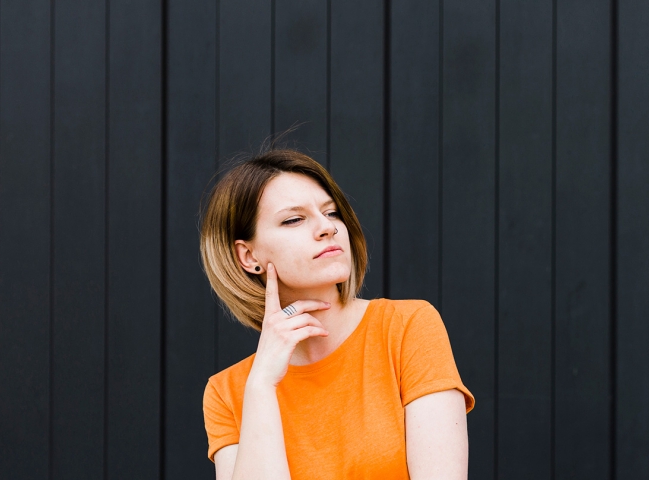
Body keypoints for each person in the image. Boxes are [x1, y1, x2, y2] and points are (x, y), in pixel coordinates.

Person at [200, 148, 473, 479]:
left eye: (331, 213)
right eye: (294, 219)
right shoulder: (228, 392)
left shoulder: (406, 327)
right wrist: (261, 386)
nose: (326, 228)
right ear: (248, 256)